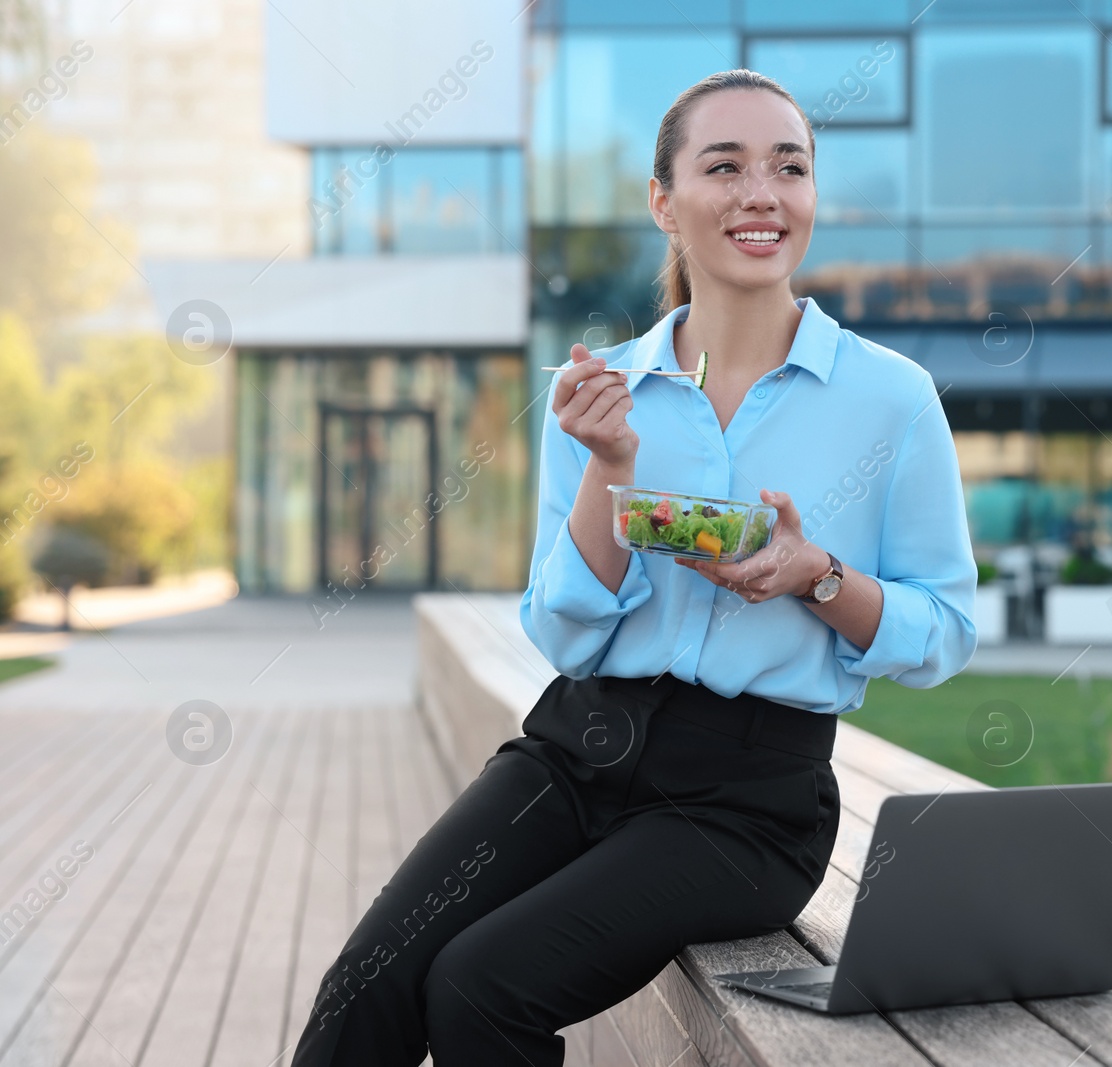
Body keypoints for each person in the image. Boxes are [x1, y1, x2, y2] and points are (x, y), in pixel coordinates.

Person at [290, 68, 976, 1067]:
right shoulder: (603, 395)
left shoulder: (892, 400)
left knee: (480, 987)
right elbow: (563, 631)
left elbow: (946, 631)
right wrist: (609, 471)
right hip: (576, 747)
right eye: (724, 165)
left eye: (789, 167)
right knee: (366, 985)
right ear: (664, 201)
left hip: (745, 798)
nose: (761, 193)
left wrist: (818, 576)